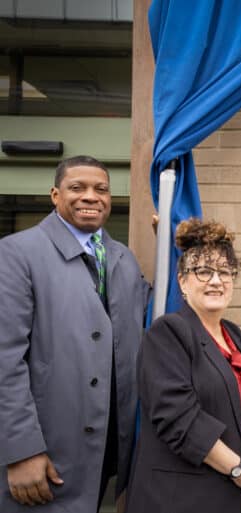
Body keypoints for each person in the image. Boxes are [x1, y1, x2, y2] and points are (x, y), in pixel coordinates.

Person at [0, 155, 150, 512]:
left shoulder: (123, 259)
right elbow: (5, 361)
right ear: (55, 195)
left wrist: (175, 245)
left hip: (109, 455)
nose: (90, 196)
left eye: (101, 189)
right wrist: (21, 451)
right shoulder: (16, 254)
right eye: (77, 188)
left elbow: (152, 317)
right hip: (44, 456)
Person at [126, 218, 241, 513]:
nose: (216, 280)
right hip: (183, 498)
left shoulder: (234, 335)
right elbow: (179, 419)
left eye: (224, 272)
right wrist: (238, 469)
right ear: (182, 281)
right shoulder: (168, 332)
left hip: (239, 497)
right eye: (203, 271)